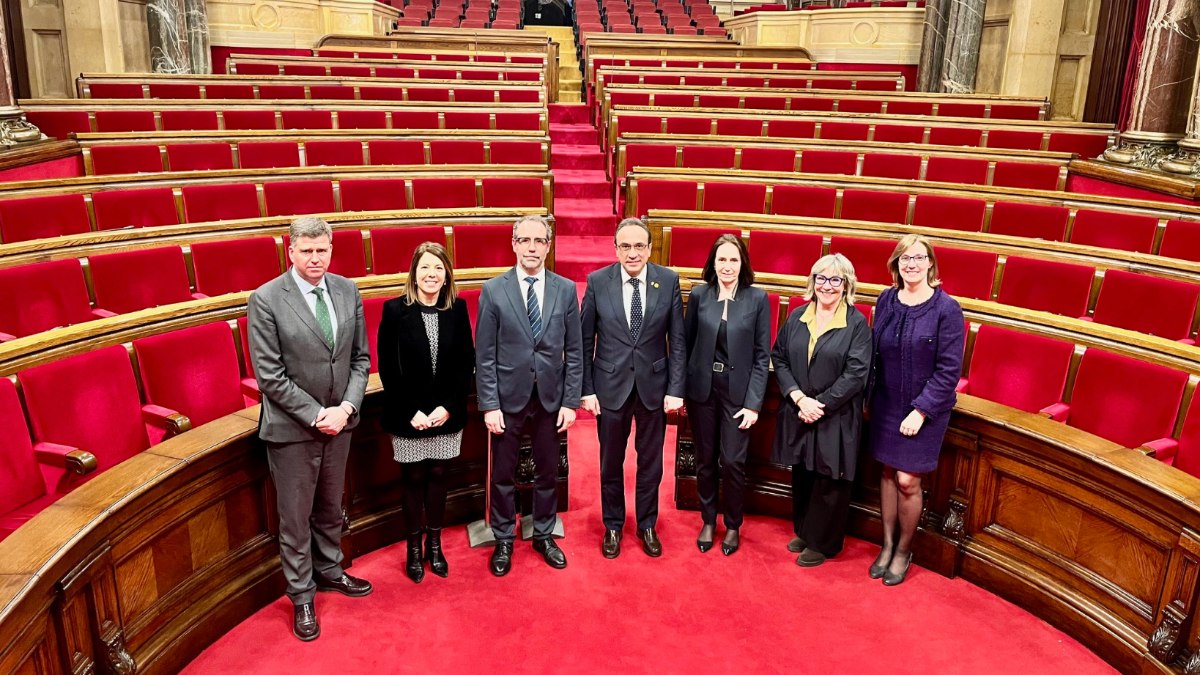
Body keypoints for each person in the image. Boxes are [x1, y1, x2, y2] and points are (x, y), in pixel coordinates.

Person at [247, 216, 373, 642]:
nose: (316, 258)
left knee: (329, 506)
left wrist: (347, 407)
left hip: (341, 424)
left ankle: (331, 570)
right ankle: (302, 596)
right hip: (294, 429)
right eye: (307, 251)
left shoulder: (347, 289)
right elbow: (270, 376)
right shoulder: (265, 299)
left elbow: (360, 360)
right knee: (295, 519)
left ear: (331, 250)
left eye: (322, 250)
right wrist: (320, 413)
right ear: (291, 251)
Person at [475, 215, 583, 576]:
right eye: (526, 240)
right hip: (507, 399)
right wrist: (489, 404)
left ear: (548, 246)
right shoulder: (493, 290)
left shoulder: (565, 289)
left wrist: (571, 401)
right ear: (514, 244)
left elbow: (576, 350)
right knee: (503, 473)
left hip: (551, 399)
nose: (533, 247)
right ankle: (504, 537)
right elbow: (485, 354)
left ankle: (544, 534)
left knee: (547, 473)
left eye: (540, 241)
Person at [580, 218, 686, 559]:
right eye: (625, 246)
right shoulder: (598, 282)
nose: (632, 252)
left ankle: (647, 524)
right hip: (609, 387)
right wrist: (586, 389)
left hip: (654, 387)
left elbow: (678, 341)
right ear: (615, 249)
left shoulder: (667, 281)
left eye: (639, 246)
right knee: (610, 462)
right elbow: (584, 341)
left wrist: (676, 387)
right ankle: (612, 525)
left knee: (651, 463)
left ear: (650, 248)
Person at [866, 234, 964, 586]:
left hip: (924, 410)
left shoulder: (946, 309)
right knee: (888, 474)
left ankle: (905, 550)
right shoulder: (887, 300)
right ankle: (887, 544)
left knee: (908, 479)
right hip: (886, 403)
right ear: (896, 264)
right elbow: (875, 352)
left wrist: (921, 411)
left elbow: (949, 370)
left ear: (930, 264)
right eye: (904, 258)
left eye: (919, 258)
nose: (911, 264)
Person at [377, 242, 474, 584]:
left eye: (437, 268)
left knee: (438, 476)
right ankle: (414, 549)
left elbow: (466, 364)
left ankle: (436, 545)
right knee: (414, 478)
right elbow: (388, 368)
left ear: (447, 274)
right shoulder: (394, 311)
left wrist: (447, 407)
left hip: (446, 415)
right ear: (414, 274)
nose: (431, 275)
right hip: (408, 416)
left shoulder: (457, 309)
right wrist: (410, 412)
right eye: (424, 268)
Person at [771, 254, 872, 568]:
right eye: (821, 278)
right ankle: (805, 531)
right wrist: (799, 398)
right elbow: (780, 358)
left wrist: (821, 405)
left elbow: (856, 375)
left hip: (836, 415)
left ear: (846, 285)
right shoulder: (798, 315)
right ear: (812, 282)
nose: (827, 286)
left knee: (830, 478)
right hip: (801, 409)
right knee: (803, 472)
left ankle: (824, 543)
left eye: (835, 280)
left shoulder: (857, 323)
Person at [684, 233, 770, 556]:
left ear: (742, 263)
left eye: (733, 259)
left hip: (739, 394)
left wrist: (753, 403)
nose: (727, 266)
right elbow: (686, 345)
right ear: (713, 262)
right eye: (722, 259)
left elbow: (763, 356)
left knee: (732, 461)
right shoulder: (699, 296)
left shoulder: (757, 299)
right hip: (702, 391)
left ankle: (733, 524)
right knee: (706, 459)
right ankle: (709, 519)